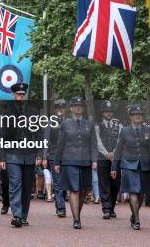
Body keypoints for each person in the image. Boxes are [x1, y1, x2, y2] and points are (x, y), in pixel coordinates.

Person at [0, 83, 42, 228]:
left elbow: (39, 134)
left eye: (23, 94)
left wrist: (40, 154)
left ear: (26, 95)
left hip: (29, 154)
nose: (21, 96)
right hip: (12, 154)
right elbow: (2, 137)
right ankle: (16, 215)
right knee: (15, 184)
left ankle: (23, 216)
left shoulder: (34, 112)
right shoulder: (7, 112)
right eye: (18, 94)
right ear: (13, 95)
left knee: (27, 186)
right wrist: (2, 157)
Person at [111, 104, 150, 230]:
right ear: (131, 117)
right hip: (128, 165)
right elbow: (118, 150)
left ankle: (134, 214)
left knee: (141, 192)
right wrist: (114, 167)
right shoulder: (124, 130)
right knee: (133, 191)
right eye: (135, 114)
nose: (138, 116)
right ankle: (137, 220)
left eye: (140, 114)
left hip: (144, 165)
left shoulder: (148, 130)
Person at [54, 96, 97, 229]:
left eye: (80, 106)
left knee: (84, 190)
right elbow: (60, 144)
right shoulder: (65, 123)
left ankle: (77, 213)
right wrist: (57, 162)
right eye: (75, 106)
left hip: (85, 160)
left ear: (83, 108)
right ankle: (76, 219)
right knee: (74, 189)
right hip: (69, 160)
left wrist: (94, 160)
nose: (78, 108)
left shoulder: (89, 124)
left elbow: (93, 144)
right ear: (71, 108)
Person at [95, 100, 122, 219]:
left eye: (111, 111)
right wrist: (106, 153)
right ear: (102, 113)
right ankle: (106, 208)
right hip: (102, 158)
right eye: (107, 111)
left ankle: (112, 208)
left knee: (115, 184)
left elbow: (121, 141)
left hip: (116, 159)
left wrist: (114, 153)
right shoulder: (97, 125)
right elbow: (97, 141)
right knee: (104, 184)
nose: (109, 113)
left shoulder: (119, 125)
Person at [42, 98, 67, 217]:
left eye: (62, 107)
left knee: (65, 183)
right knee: (57, 183)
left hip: (68, 157)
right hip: (53, 155)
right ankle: (61, 207)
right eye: (58, 107)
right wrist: (44, 157)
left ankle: (59, 204)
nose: (60, 110)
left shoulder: (69, 122)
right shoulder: (50, 123)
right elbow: (46, 140)